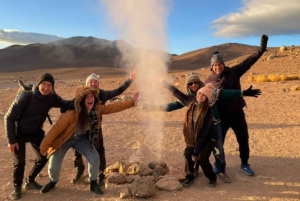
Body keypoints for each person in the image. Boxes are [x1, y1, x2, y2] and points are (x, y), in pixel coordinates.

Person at [39, 85, 139, 195]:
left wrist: (131, 102)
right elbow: (56, 130)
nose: (90, 99)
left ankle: (93, 183)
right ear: (81, 100)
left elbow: (113, 107)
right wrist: (44, 146)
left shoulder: (96, 109)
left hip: (81, 139)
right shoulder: (70, 113)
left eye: (91, 96)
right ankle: (53, 182)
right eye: (86, 97)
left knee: (94, 157)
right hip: (64, 140)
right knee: (53, 167)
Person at [161, 76, 261, 183]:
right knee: (194, 150)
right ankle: (194, 170)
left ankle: (221, 170)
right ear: (188, 86)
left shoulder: (212, 93)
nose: (193, 85)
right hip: (197, 129)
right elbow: (175, 98)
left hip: (214, 127)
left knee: (218, 150)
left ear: (200, 83)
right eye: (190, 83)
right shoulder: (189, 99)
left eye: (196, 82)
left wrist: (243, 92)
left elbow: (228, 93)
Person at [205, 34, 269, 176]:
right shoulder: (208, 80)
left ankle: (244, 164)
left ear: (224, 64)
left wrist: (261, 49)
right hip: (221, 117)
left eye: (220, 64)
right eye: (215, 65)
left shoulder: (234, 71)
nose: (218, 67)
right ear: (212, 66)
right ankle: (219, 164)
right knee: (218, 143)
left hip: (237, 113)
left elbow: (249, 61)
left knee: (243, 139)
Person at [4, 73, 69, 200]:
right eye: (44, 84)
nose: (46, 88)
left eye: (49, 85)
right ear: (38, 84)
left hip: (36, 132)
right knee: (20, 162)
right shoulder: (25, 97)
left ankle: (30, 181)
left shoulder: (52, 97)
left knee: (44, 156)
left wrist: (82, 100)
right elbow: (9, 118)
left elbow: (65, 104)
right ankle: (17, 187)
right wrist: (11, 140)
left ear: (52, 87)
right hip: (19, 133)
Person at [71, 70, 137, 187]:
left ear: (99, 84)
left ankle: (101, 176)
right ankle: (79, 171)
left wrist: (130, 80)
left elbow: (118, 91)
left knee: (100, 150)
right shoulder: (81, 95)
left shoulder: (102, 94)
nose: (93, 84)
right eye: (90, 82)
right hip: (80, 127)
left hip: (96, 127)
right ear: (87, 84)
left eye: (95, 82)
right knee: (77, 151)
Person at [162, 82, 217, 187]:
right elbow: (176, 93)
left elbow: (203, 134)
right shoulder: (190, 101)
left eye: (204, 95)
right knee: (188, 154)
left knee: (202, 159)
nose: (200, 96)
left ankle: (212, 177)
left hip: (209, 138)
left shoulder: (208, 112)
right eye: (199, 94)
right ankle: (189, 177)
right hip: (193, 137)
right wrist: (164, 83)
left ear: (207, 98)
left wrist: (196, 152)